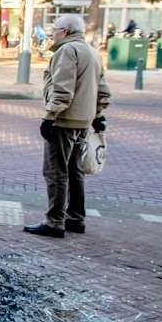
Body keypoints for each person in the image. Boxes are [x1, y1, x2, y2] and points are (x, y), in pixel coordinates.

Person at [25, 14, 112, 238]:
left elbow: (63, 89)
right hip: (83, 121)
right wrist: (99, 114)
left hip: (64, 120)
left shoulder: (67, 51)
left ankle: (54, 222)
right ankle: (76, 218)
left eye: (54, 29)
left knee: (56, 171)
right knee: (75, 170)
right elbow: (103, 90)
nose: (51, 33)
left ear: (64, 31)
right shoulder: (92, 52)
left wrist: (50, 116)